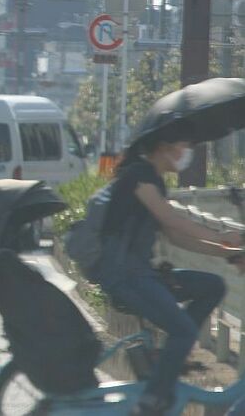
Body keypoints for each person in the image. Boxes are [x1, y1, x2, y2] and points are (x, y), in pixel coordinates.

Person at [95, 123, 245, 416]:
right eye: (183, 145)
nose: (186, 151)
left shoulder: (154, 180)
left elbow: (175, 236)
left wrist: (229, 252)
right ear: (164, 146)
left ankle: (167, 358)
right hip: (125, 276)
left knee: (212, 286)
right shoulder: (138, 176)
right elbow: (171, 219)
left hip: (142, 274)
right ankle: (152, 400)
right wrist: (221, 236)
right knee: (184, 329)